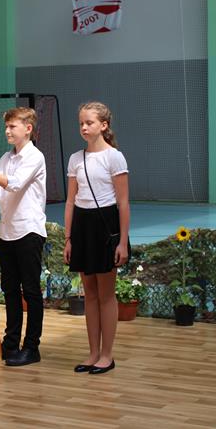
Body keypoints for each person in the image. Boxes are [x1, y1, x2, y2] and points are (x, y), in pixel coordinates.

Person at [0, 107, 47, 367]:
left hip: (28, 231)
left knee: (31, 291)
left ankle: (32, 347)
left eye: (12, 126)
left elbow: (13, 183)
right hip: (8, 232)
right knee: (10, 289)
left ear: (28, 128)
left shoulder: (35, 156)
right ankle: (11, 343)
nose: (7, 131)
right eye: (6, 126)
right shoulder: (6, 157)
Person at [63, 101, 130, 375]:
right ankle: (92, 353)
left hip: (106, 226)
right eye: (81, 123)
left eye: (89, 122)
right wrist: (68, 238)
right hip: (82, 226)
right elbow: (70, 201)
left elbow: (123, 203)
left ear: (103, 125)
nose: (83, 127)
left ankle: (106, 355)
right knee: (89, 293)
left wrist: (122, 242)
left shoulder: (115, 157)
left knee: (105, 294)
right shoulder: (75, 159)